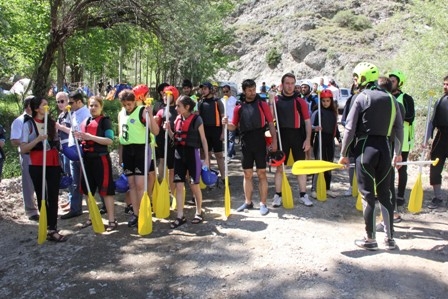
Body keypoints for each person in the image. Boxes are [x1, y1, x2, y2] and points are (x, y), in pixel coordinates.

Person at [338, 62, 403, 251]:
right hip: (385, 149)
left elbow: (349, 129)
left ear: (363, 78)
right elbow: (398, 129)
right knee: (385, 195)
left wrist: (343, 154)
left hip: (365, 149)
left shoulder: (361, 97)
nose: (355, 81)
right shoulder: (392, 99)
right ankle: (390, 239)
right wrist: (397, 154)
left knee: (367, 195)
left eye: (356, 77)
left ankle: (370, 239)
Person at [224, 79, 277, 215]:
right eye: (249, 90)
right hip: (246, 143)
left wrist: (274, 142)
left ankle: (263, 204)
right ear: (244, 91)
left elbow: (271, 123)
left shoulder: (262, 104)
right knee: (247, 174)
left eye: (254, 89)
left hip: (260, 141)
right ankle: (248, 202)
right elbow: (233, 127)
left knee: (261, 173)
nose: (252, 92)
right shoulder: (238, 107)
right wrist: (225, 123)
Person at [20, 97, 66, 242]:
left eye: (47, 104)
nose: (47, 107)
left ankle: (53, 228)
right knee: (42, 196)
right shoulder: (28, 124)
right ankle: (46, 226)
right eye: (43, 105)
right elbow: (23, 149)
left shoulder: (51, 123)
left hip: (52, 162)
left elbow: (58, 141)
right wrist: (38, 140)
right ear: (36, 109)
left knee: (53, 195)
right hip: (37, 163)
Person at [166, 96, 209, 227]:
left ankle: (199, 212)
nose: (176, 108)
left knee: (194, 184)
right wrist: (168, 129)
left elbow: (203, 139)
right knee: (179, 185)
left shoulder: (197, 119)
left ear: (187, 107)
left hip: (192, 154)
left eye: (178, 106)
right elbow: (175, 137)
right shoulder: (177, 119)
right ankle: (180, 215)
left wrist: (206, 158)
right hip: (179, 154)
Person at [271, 73, 313, 207]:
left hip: (297, 136)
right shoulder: (276, 100)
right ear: (282, 84)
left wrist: (307, 140)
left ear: (295, 85)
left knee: (300, 167)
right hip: (282, 136)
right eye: (287, 83)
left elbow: (307, 122)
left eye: (292, 83)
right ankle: (278, 195)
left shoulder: (300, 101)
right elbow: (271, 118)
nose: (289, 86)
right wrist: (271, 102)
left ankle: (303, 194)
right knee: (279, 168)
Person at [76, 96, 117, 231]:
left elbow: (109, 140)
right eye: (91, 106)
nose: (93, 108)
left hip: (101, 159)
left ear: (101, 107)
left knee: (106, 191)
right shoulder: (85, 121)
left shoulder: (105, 122)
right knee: (88, 191)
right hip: (87, 159)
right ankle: (91, 217)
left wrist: (90, 137)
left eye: (96, 105)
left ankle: (112, 221)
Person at [118, 89, 159, 227]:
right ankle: (136, 214)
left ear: (135, 101)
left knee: (141, 185)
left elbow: (156, 131)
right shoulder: (121, 114)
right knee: (132, 185)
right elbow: (121, 137)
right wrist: (120, 155)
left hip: (141, 149)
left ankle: (144, 213)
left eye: (129, 104)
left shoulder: (142, 111)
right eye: (125, 105)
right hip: (127, 151)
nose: (127, 107)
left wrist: (151, 115)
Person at [61, 90, 91, 219]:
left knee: (84, 181)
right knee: (74, 181)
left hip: (81, 151)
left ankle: (99, 207)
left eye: (71, 102)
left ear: (79, 102)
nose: (69, 104)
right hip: (73, 150)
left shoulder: (86, 113)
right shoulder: (73, 113)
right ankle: (75, 207)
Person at [389, 71, 415, 207]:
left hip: (403, 139)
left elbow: (410, 116)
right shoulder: (386, 96)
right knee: (388, 168)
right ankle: (389, 193)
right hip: (389, 137)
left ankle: (400, 195)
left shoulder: (406, 98)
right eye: (390, 80)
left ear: (399, 83)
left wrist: (396, 115)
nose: (391, 82)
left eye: (393, 81)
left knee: (401, 168)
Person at [10, 96, 39, 220]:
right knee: (28, 183)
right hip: (27, 154)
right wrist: (28, 142)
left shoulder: (39, 119)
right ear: (28, 106)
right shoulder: (19, 121)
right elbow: (14, 140)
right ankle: (31, 211)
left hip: (40, 154)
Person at [310, 89, 341, 198]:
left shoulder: (333, 113)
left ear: (331, 101)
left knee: (328, 164)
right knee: (319, 163)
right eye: (323, 101)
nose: (325, 103)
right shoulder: (317, 112)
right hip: (320, 139)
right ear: (320, 101)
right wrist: (315, 128)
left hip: (330, 140)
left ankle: (327, 188)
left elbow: (335, 128)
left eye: (328, 101)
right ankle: (314, 188)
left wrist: (340, 140)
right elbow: (310, 127)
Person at [425, 75, 448, 209]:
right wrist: (426, 139)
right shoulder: (440, 101)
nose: (445, 87)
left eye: (447, 84)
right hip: (441, 137)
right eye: (444, 84)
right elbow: (432, 122)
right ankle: (438, 198)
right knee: (435, 166)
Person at [197, 82, 226, 184]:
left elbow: (223, 118)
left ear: (210, 89)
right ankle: (208, 177)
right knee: (206, 155)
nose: (203, 91)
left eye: (205, 89)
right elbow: (197, 118)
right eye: (202, 89)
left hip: (216, 130)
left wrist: (222, 132)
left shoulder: (217, 102)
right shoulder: (200, 103)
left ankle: (223, 177)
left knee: (219, 155)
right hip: (205, 131)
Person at [154, 85, 179, 194]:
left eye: (168, 95)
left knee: (172, 168)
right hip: (161, 139)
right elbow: (156, 126)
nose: (165, 97)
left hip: (174, 140)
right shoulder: (161, 111)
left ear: (174, 96)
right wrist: (154, 120)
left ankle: (173, 192)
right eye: (164, 95)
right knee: (162, 161)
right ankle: (162, 187)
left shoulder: (178, 110)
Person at [221, 85, 237, 159]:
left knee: (231, 139)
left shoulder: (234, 100)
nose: (225, 93)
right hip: (225, 122)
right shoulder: (222, 100)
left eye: (227, 91)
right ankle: (232, 152)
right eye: (224, 92)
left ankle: (229, 154)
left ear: (230, 91)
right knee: (226, 139)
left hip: (232, 122)